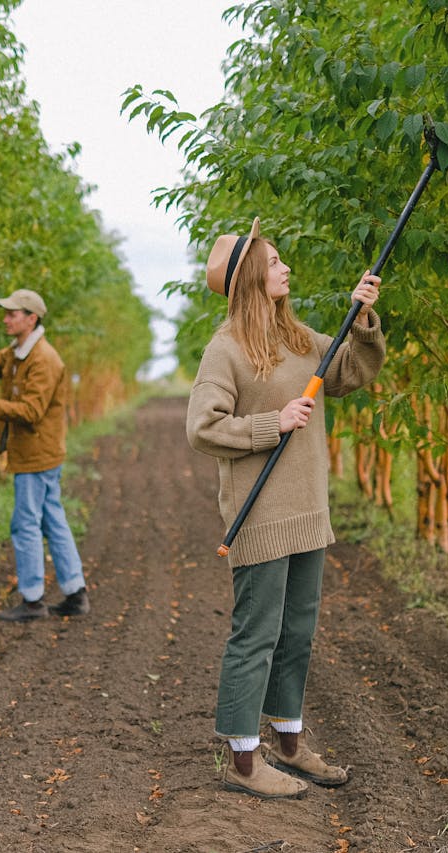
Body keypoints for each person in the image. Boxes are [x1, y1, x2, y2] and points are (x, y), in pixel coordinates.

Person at [186, 217, 386, 799]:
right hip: (260, 516)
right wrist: (272, 425)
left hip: (306, 511)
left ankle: (290, 744)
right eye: (275, 263)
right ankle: (244, 762)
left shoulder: (297, 338)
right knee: (257, 634)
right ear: (250, 276)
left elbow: (349, 371)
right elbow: (202, 428)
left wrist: (363, 318)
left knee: (297, 630)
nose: (286, 269)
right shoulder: (225, 351)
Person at [0, 288, 90, 623]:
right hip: (37, 453)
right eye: (6, 312)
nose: (6, 318)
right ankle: (75, 593)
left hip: (36, 455)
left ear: (31, 319)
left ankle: (32, 601)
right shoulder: (20, 351)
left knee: (25, 523)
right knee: (52, 519)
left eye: (13, 314)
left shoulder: (43, 360)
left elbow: (31, 411)